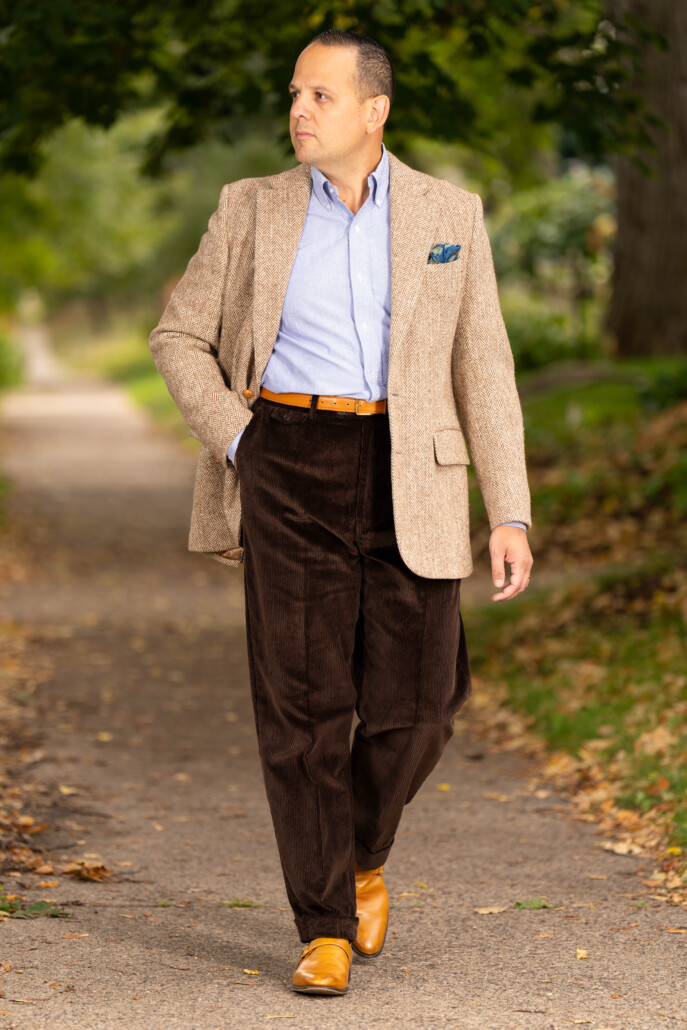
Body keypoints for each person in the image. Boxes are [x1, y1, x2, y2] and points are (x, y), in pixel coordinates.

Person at [149, 28, 533, 996]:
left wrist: (510, 510)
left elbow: (481, 363)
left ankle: (360, 855)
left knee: (421, 707)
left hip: (417, 468)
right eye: (294, 94)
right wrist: (242, 442)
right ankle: (321, 922)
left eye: (321, 95)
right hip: (290, 460)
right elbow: (178, 335)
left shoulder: (451, 212)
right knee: (305, 708)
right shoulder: (250, 208)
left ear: (375, 110)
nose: (300, 111)